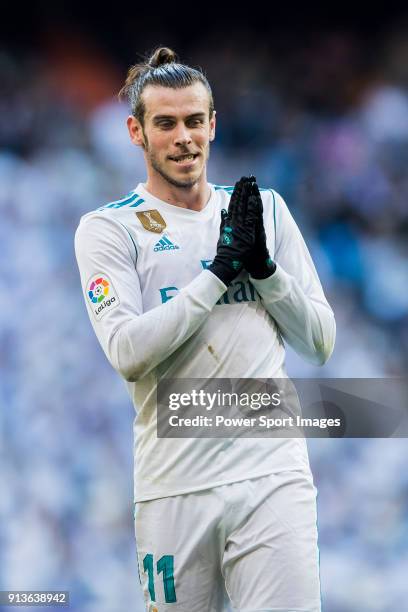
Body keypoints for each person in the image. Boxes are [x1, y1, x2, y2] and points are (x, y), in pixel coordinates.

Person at [74, 46, 336, 612]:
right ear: (136, 132)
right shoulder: (109, 229)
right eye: (165, 123)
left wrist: (264, 271)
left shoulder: (264, 211)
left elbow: (320, 342)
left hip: (273, 474)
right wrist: (219, 273)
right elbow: (125, 351)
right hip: (175, 485)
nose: (183, 137)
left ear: (213, 124)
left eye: (195, 121)